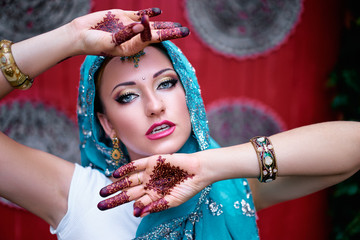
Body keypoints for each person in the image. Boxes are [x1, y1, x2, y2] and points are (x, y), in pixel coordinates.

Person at [0, 7, 359, 240]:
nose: (155, 106)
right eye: (127, 96)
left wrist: (206, 168)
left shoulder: (227, 186)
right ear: (106, 125)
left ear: (190, 94)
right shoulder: (79, 197)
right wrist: (73, 35)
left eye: (167, 83)